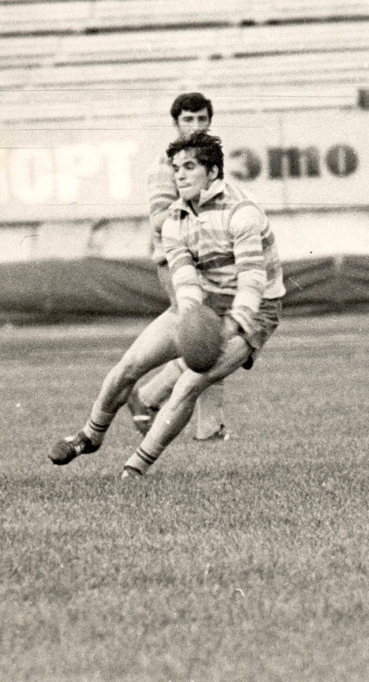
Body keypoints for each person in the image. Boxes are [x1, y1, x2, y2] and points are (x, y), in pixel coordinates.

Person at [49, 131, 285, 478]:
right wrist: (191, 319)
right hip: (206, 304)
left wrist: (233, 324)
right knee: (128, 366)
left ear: (213, 172)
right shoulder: (175, 220)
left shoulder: (242, 211)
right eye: (176, 169)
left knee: (190, 384)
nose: (180, 176)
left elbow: (253, 279)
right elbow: (185, 282)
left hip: (255, 309)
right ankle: (90, 435)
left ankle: (134, 470)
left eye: (189, 167)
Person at [127, 91, 227, 442]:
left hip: (203, 259)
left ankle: (153, 397)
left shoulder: (208, 161)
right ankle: (202, 423)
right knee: (208, 338)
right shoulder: (165, 166)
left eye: (201, 119)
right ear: (175, 123)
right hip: (174, 261)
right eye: (188, 119)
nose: (195, 125)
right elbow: (158, 220)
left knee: (213, 338)